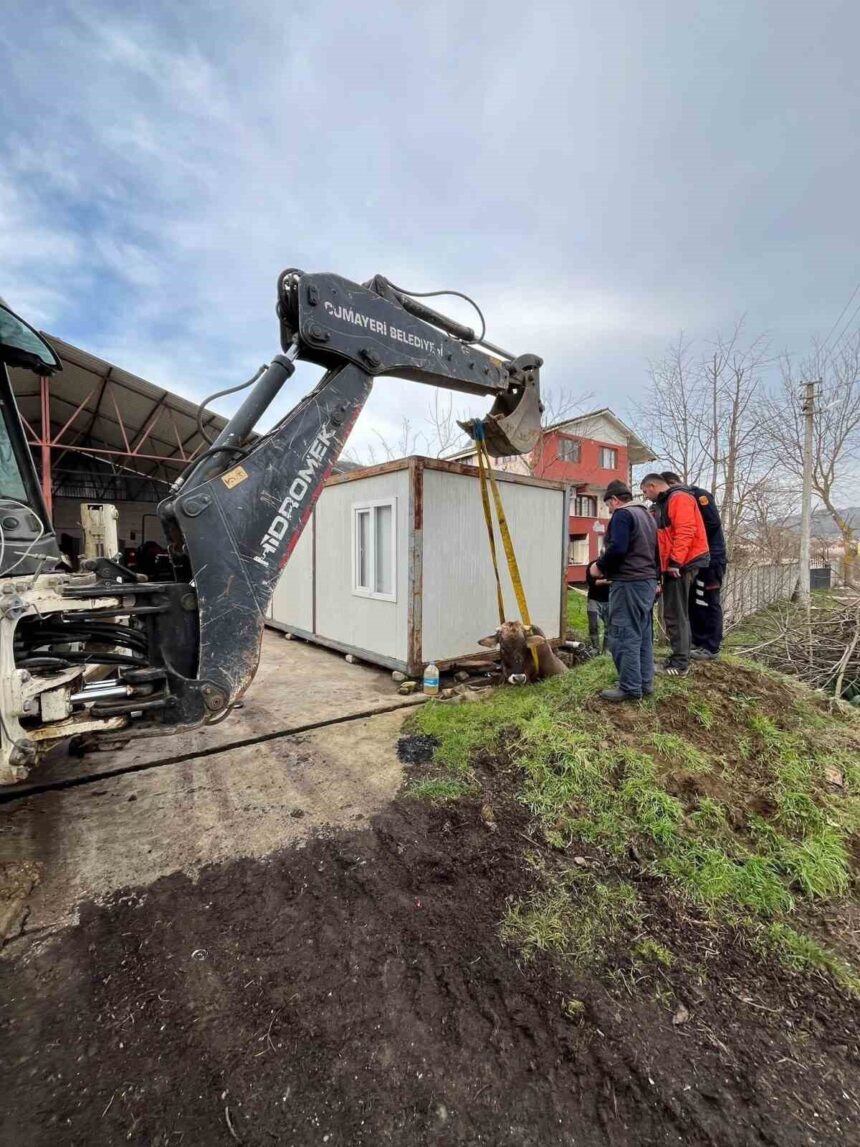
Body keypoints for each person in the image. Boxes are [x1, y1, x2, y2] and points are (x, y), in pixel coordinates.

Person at [587, 479, 659, 702]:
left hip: (628, 583)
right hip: (646, 582)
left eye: (608, 505)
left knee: (623, 634)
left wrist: (599, 566)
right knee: (643, 634)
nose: (609, 510)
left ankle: (629, 687)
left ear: (615, 500)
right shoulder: (646, 515)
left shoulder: (622, 514)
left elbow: (618, 547)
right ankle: (644, 684)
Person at [640, 473, 710, 676]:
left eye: (645, 491)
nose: (646, 496)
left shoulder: (678, 498)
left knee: (674, 612)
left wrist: (675, 562)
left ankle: (680, 663)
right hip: (680, 562)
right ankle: (681, 655)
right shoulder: (667, 502)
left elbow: (686, 531)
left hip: (683, 563)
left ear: (652, 486)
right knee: (677, 611)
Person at [661, 472, 727, 660]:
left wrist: (691, 536)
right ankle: (697, 642)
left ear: (671, 483)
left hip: (711, 558)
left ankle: (710, 647)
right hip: (693, 560)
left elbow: (713, 523)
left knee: (707, 601)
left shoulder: (698, 496)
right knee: (694, 603)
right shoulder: (683, 498)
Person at [585, 561, 610, 651]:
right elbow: (591, 582)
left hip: (610, 600)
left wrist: (601, 581)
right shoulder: (592, 565)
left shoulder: (613, 565)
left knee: (610, 626)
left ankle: (606, 650)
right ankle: (595, 648)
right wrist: (606, 581)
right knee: (593, 625)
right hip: (594, 600)